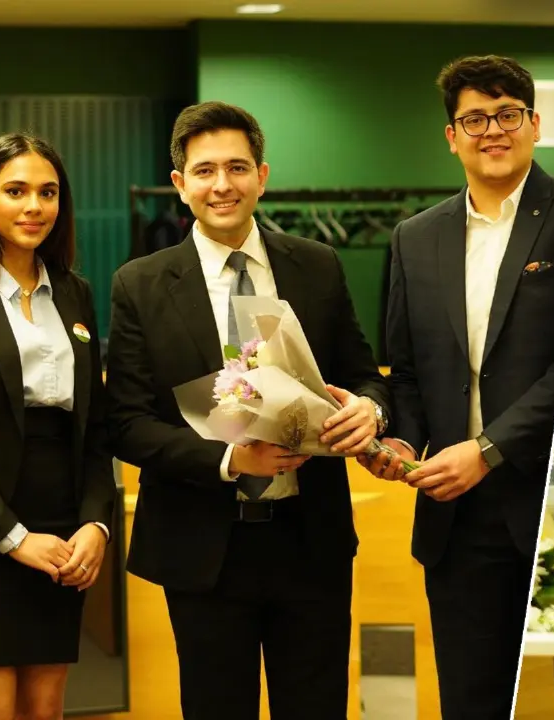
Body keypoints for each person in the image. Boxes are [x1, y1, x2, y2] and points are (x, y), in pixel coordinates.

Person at [105, 102, 391, 720]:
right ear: (181, 185)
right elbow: (125, 423)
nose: (223, 184)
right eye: (205, 171)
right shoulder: (141, 283)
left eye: (237, 167)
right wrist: (233, 458)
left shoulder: (316, 265)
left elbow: (364, 373)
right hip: (204, 544)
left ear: (262, 175)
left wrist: (370, 408)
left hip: (309, 539)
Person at [360, 55, 554, 719]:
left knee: (546, 698)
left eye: (508, 114)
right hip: (455, 518)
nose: (493, 129)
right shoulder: (414, 239)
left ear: (535, 124)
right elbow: (404, 371)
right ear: (451, 135)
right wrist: (397, 439)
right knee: (469, 697)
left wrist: (488, 449)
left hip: (544, 496)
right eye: (474, 118)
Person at [0, 133, 116, 720]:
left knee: (45, 709)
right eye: (15, 191)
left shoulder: (75, 294)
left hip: (61, 530)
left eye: (47, 192)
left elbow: (95, 429)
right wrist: (13, 537)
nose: (34, 207)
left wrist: (97, 523)